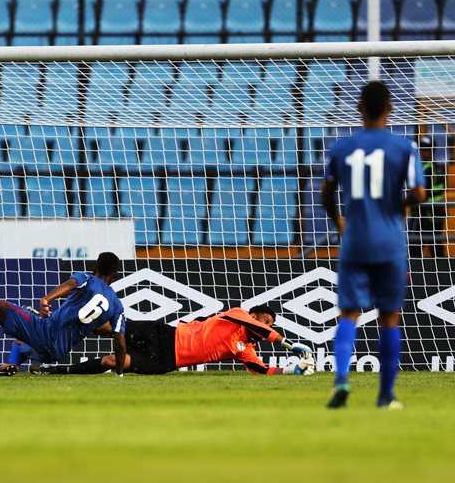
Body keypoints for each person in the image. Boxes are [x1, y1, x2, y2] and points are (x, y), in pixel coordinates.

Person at [321, 81, 426, 409]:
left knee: (348, 313)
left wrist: (338, 221)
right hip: (390, 241)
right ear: (390, 109)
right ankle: (385, 395)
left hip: (354, 241)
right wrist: (402, 207)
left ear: (359, 108)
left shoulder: (342, 148)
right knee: (389, 317)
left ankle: (341, 380)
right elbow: (421, 193)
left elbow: (325, 192)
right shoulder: (405, 147)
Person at [0, 252, 129, 376]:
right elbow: (119, 340)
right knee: (20, 342)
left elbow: (71, 283)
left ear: (94, 268)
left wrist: (47, 299)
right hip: (55, 353)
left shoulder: (87, 279)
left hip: (45, 333)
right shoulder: (116, 306)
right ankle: (12, 364)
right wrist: (119, 372)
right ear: (116, 275)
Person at [41, 305, 314, 376]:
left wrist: (289, 369)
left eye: (269, 326)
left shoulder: (245, 349)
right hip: (166, 334)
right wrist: (287, 344)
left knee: (114, 361)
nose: (266, 327)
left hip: (167, 360)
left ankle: (55, 371)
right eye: (265, 321)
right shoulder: (238, 315)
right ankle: (58, 324)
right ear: (255, 315)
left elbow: (262, 370)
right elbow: (253, 324)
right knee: (112, 328)